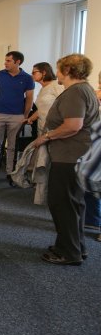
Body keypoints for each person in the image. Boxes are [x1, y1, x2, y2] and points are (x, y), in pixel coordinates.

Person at [33, 54, 100, 265]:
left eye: (59, 69)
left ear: (68, 70)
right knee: (74, 204)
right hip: (77, 155)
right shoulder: (84, 89)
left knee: (62, 204)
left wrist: (46, 136)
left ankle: (69, 252)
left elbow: (73, 125)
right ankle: (76, 247)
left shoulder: (76, 92)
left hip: (70, 156)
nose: (57, 74)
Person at [0, 51, 34, 182]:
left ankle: (10, 172)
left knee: (12, 146)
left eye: (8, 61)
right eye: (5, 60)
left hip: (17, 116)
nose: (5, 63)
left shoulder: (27, 78)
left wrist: (25, 115)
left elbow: (29, 98)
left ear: (18, 62)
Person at [26, 62, 64, 134]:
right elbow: (41, 109)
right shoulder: (42, 89)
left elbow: (65, 106)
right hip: (42, 128)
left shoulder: (56, 85)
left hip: (54, 129)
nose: (32, 75)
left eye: (34, 72)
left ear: (44, 72)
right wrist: (30, 119)